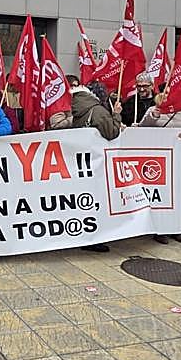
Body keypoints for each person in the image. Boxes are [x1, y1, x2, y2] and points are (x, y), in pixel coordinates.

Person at [139, 93, 181, 243]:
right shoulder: (153, 109)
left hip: (180, 160)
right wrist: (153, 117)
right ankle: (159, 230)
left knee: (179, 196)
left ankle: (177, 228)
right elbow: (142, 128)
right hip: (158, 161)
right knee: (160, 196)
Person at [67, 74, 122, 253]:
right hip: (95, 164)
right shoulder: (97, 111)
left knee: (84, 201)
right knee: (95, 202)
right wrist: (116, 115)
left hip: (81, 163)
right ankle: (93, 238)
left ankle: (83, 234)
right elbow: (111, 132)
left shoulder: (78, 108)